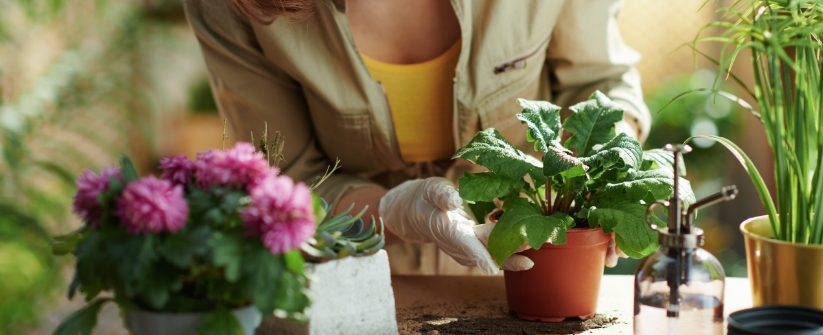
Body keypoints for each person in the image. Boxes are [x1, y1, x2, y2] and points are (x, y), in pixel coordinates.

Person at [184, 0, 651, 275]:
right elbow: (289, 181)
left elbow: (600, 83)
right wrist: (396, 213)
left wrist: (614, 156)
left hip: (535, 268)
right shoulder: (235, 6)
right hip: (352, 285)